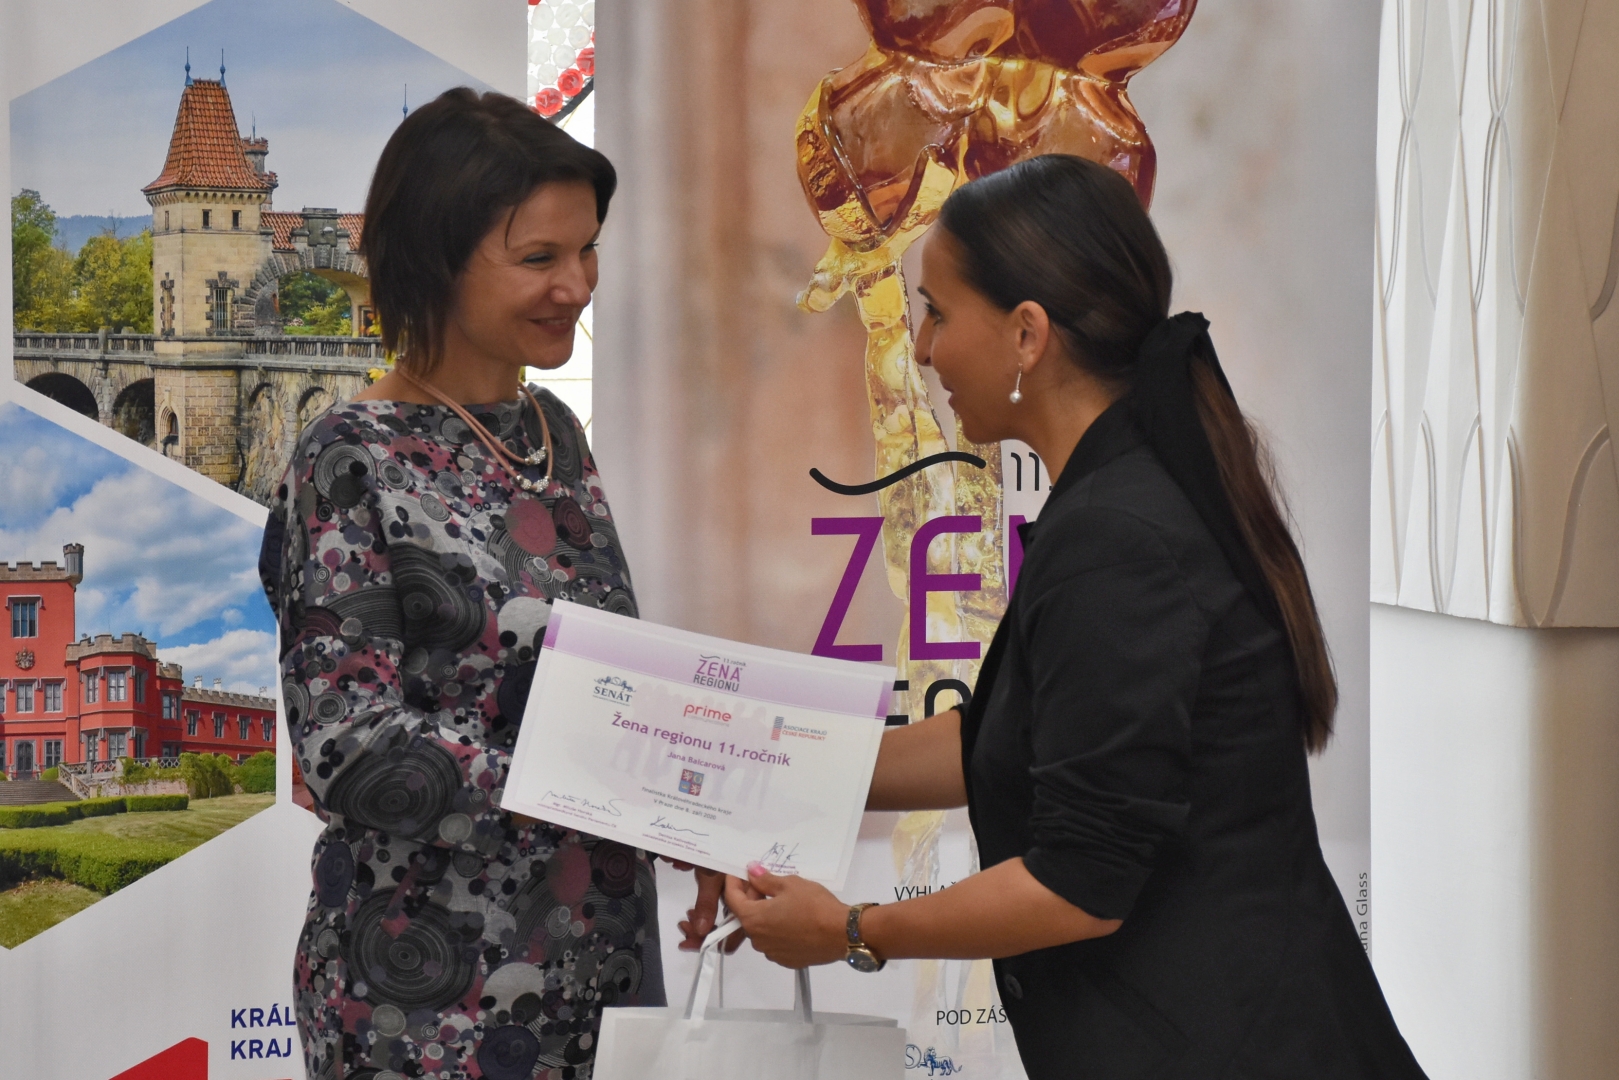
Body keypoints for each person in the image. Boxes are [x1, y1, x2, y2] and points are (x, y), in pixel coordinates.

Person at [724, 154, 1429, 1079]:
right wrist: (756, 768)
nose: (923, 350)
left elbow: (1079, 884)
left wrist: (853, 929)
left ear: (1026, 333)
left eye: (938, 313)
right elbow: (1002, 742)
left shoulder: (1117, 535)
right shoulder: (1118, 497)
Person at [258, 88, 723, 1080]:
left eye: (587, 250)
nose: (576, 285)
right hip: (424, 1003)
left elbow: (602, 686)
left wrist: (693, 811)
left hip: (599, 972)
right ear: (435, 260)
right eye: (539, 258)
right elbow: (350, 747)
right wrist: (615, 789)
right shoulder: (348, 455)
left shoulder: (556, 434)